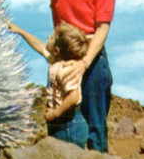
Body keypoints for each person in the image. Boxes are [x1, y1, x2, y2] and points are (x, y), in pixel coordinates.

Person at [51, 0, 116, 153]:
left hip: (92, 58)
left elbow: (102, 28)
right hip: (64, 58)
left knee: (95, 126)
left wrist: (85, 62)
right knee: (63, 123)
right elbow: (58, 22)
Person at [6, 19, 89, 148]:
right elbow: (39, 45)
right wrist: (20, 31)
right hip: (59, 123)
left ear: (56, 51)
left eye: (50, 38)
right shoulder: (54, 61)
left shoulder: (66, 70)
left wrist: (55, 113)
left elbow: (73, 97)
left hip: (69, 125)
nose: (47, 38)